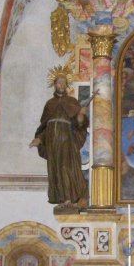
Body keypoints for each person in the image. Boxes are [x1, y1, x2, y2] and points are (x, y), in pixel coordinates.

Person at [29, 67, 90, 208]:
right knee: (55, 169)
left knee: (66, 168)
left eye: (63, 82)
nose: (61, 85)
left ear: (67, 85)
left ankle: (69, 199)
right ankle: (61, 200)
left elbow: (79, 125)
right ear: (54, 84)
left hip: (67, 140)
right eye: (59, 82)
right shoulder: (49, 104)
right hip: (52, 141)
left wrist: (80, 117)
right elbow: (44, 126)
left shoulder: (72, 102)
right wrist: (40, 139)